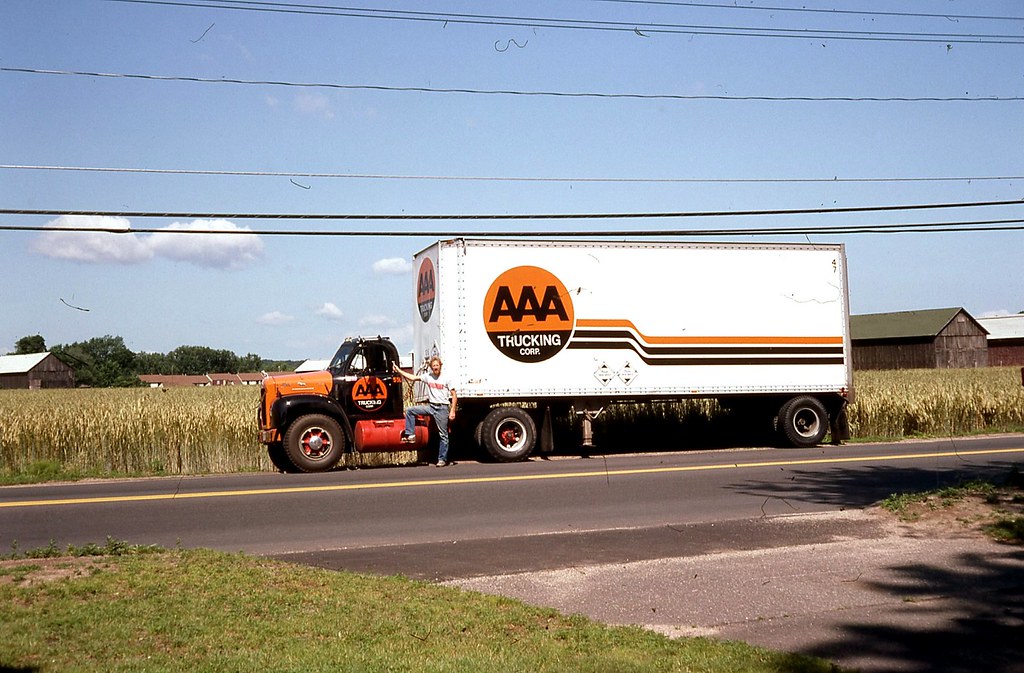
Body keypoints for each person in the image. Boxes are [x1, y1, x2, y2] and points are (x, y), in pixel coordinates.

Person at [393, 356, 457, 467]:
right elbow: (413, 378)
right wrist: (399, 370)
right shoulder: (428, 376)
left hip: (442, 408)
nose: (435, 367)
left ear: (440, 366)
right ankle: (410, 434)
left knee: (443, 435)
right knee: (410, 410)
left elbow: (454, 395)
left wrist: (452, 410)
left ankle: (442, 459)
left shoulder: (446, 378)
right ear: (431, 367)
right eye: (433, 366)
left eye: (437, 365)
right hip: (431, 407)